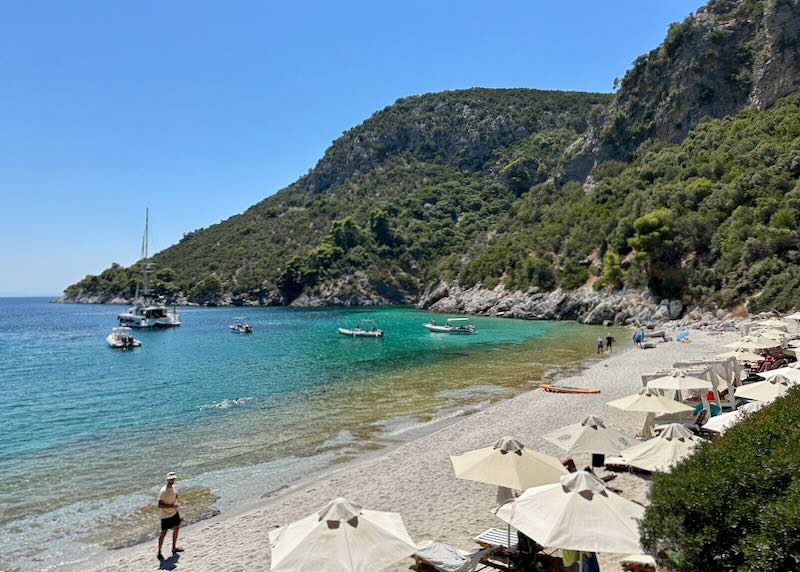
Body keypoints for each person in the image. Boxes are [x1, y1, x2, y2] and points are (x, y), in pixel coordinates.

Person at [157, 472, 184, 560]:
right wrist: (172, 506)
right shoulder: (163, 491)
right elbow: (160, 505)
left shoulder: (174, 487)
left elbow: (176, 495)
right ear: (167, 479)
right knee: (163, 533)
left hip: (174, 513)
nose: (172, 480)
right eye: (171, 479)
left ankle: (174, 548)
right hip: (165, 516)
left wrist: (177, 502)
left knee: (176, 529)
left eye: (173, 478)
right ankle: (159, 552)